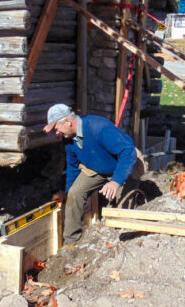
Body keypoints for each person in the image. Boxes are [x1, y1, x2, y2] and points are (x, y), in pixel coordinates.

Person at [44, 104, 140, 246]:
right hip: (97, 169)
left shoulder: (98, 127)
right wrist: (65, 192)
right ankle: (71, 243)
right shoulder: (68, 138)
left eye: (56, 128)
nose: (56, 133)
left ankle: (125, 240)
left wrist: (115, 181)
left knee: (122, 205)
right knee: (75, 193)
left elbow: (127, 152)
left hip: (123, 165)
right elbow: (73, 167)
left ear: (68, 122)